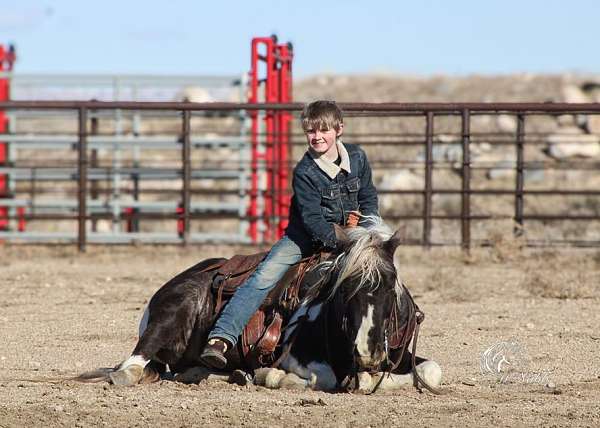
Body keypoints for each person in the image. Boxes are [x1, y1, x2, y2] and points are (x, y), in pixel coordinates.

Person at [200, 100, 379, 369]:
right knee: (264, 275)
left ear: (339, 129)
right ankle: (221, 337)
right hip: (304, 237)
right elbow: (313, 221)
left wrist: (365, 230)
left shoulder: (358, 157)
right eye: (310, 132)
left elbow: (368, 197)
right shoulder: (305, 172)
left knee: (382, 268)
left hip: (353, 234)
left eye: (324, 131)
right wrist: (345, 242)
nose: (317, 137)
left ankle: (388, 331)